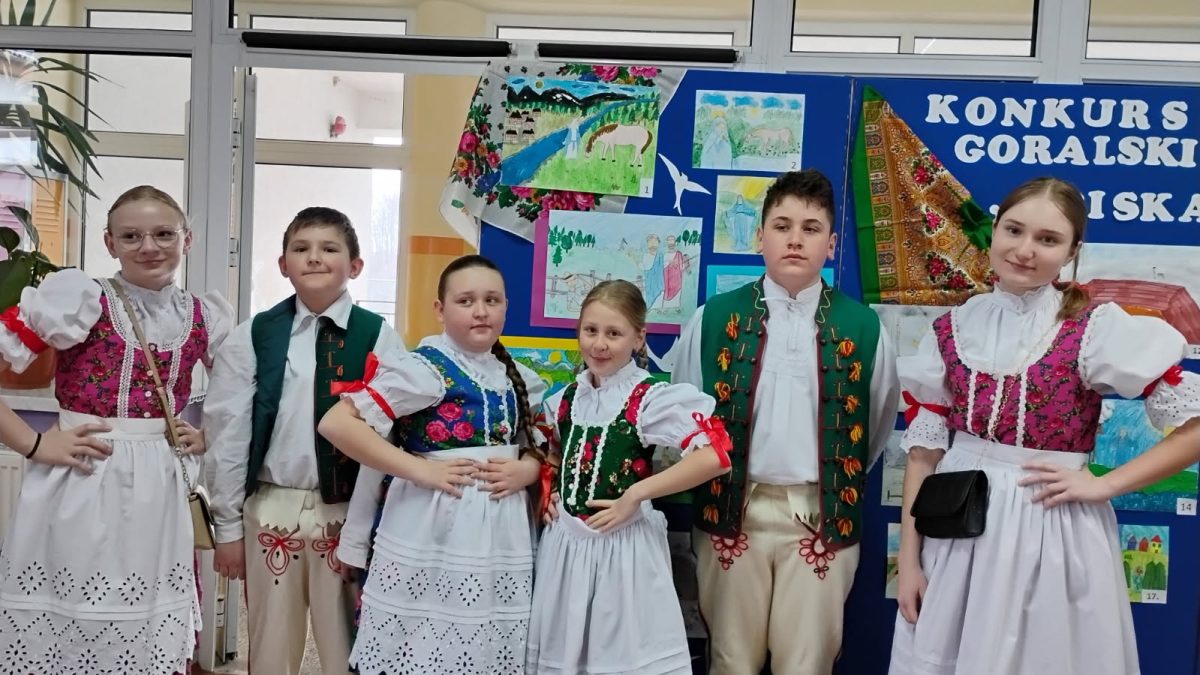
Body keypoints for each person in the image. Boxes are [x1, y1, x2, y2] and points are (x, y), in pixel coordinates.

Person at [890, 176, 1200, 675]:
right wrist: (909, 561)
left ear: (1072, 251)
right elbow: (924, 454)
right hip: (956, 530)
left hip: (1049, 528)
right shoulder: (951, 328)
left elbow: (1194, 428)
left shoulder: (1093, 328)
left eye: (1048, 239)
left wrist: (1105, 484)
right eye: (1014, 230)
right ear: (994, 230)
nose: (1025, 250)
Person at [670, 169, 900, 675]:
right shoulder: (713, 319)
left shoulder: (864, 327)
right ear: (760, 236)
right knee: (731, 658)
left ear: (832, 244)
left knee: (807, 662)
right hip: (732, 509)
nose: (795, 239)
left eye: (811, 228)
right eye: (782, 226)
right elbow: (687, 416)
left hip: (820, 514)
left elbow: (877, 422)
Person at [0, 185, 233, 673]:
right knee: (75, 612)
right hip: (83, 477)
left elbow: (239, 392)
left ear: (186, 239)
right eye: (131, 236)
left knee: (146, 623)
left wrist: (208, 434)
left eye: (164, 234)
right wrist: (34, 443)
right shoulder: (79, 297)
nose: (149, 247)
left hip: (161, 484)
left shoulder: (204, 315)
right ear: (110, 243)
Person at [317, 254, 546, 675]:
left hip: (499, 532)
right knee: (421, 640)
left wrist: (528, 469)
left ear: (506, 307)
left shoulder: (517, 376)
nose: (481, 311)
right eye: (466, 301)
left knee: (483, 643)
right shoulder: (424, 370)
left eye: (492, 300)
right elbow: (337, 423)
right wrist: (420, 469)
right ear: (440, 309)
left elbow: (540, 444)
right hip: (432, 527)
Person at [205, 207, 401, 675]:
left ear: (355, 265)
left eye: (329, 249)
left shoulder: (379, 337)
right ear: (283, 264)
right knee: (271, 643)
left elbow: (393, 434)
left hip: (349, 512)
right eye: (301, 248)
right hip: (272, 504)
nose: (314, 258)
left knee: (347, 645)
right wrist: (228, 528)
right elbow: (228, 432)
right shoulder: (254, 335)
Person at [525, 279, 732, 675]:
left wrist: (635, 495)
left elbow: (714, 456)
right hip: (566, 550)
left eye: (614, 334)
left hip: (623, 552)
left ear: (639, 338)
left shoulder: (646, 398)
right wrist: (550, 491)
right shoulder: (566, 399)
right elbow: (552, 453)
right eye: (591, 330)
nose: (599, 344)